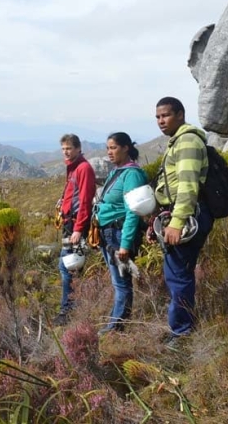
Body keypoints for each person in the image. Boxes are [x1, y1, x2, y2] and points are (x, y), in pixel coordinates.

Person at [153, 97, 214, 345]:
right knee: (176, 273)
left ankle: (182, 332)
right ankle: (181, 327)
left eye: (165, 115)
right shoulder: (177, 141)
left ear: (180, 114)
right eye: (157, 117)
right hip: (180, 213)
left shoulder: (187, 141)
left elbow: (188, 186)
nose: (160, 121)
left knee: (178, 275)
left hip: (188, 215)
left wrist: (177, 222)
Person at [96, 132, 148, 335]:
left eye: (114, 147)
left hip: (118, 234)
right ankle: (117, 324)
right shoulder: (118, 171)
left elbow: (132, 212)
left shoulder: (131, 174)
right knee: (118, 281)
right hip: (109, 233)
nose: (109, 152)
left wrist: (125, 244)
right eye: (108, 148)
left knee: (121, 283)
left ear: (126, 148)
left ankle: (116, 329)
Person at [53, 134, 97, 326]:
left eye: (69, 148)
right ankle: (71, 306)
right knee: (70, 266)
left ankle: (67, 310)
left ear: (79, 148)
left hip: (75, 226)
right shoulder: (72, 167)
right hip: (69, 223)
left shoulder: (83, 168)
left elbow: (86, 200)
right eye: (63, 149)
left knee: (68, 266)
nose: (66, 152)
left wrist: (79, 229)